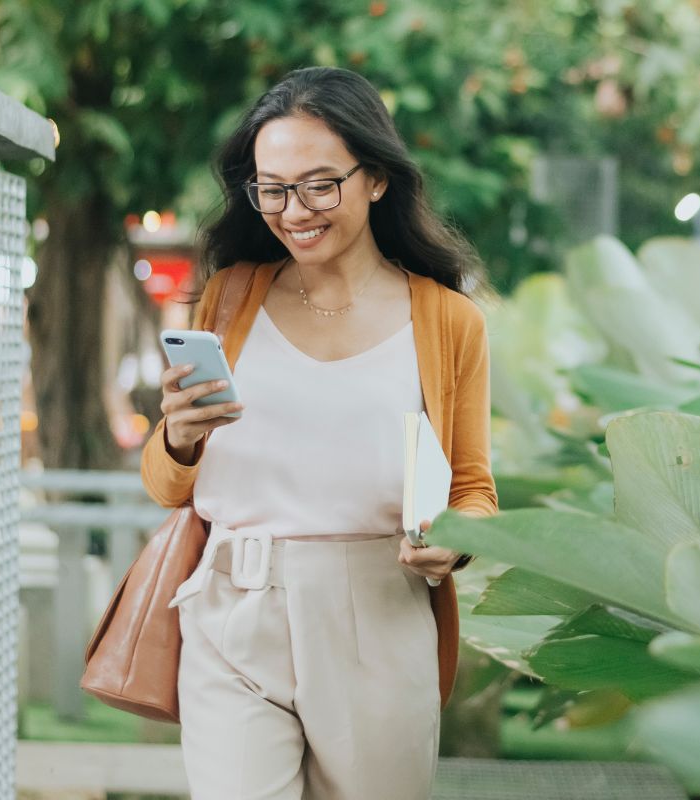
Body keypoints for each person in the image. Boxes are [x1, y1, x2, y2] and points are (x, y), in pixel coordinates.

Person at [139, 65, 499, 800]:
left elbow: (473, 489)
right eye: (271, 187)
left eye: (318, 184)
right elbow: (165, 483)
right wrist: (175, 439)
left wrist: (452, 541)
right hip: (231, 611)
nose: (292, 210)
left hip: (379, 610)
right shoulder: (229, 297)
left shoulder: (446, 320)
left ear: (376, 179)